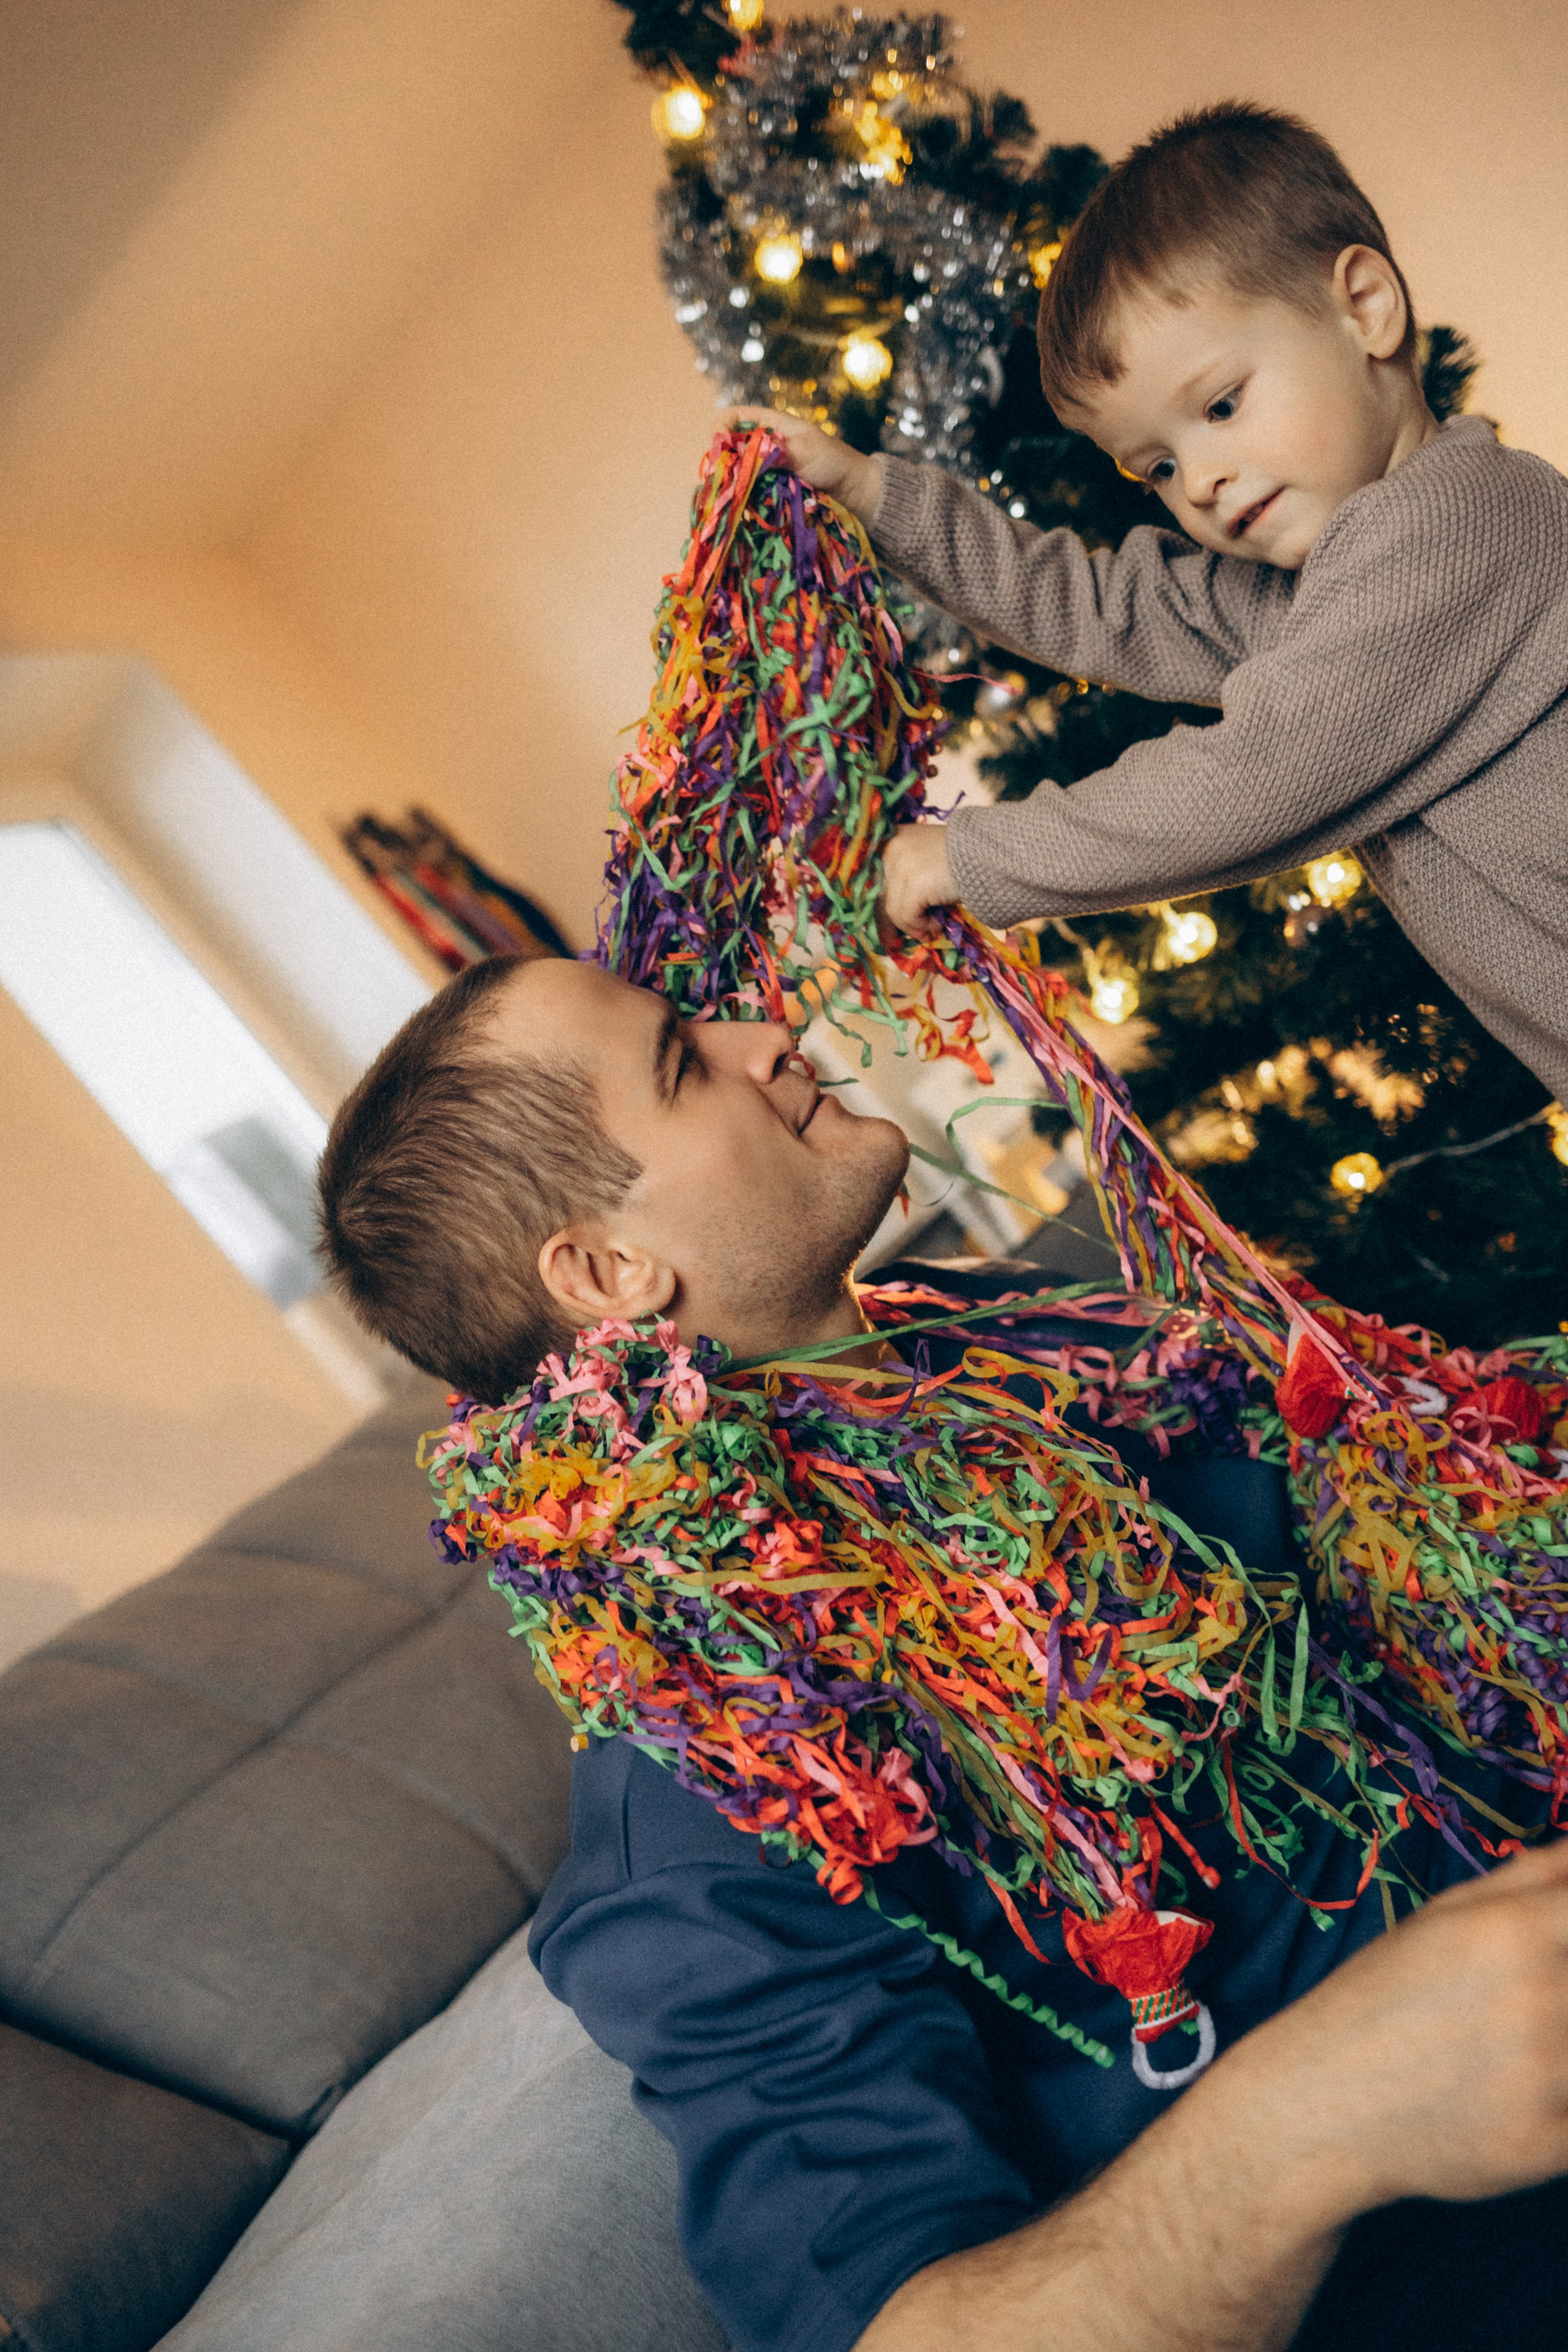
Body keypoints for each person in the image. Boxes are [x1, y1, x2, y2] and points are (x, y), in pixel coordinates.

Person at [306, 949, 1568, 2352]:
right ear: (609, 1272)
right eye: (681, 1060)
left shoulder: (1007, 1349)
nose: (765, 1034)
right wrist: (1320, 2112)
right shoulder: (710, 1799)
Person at [728, 102, 1568, 1104]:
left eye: (1220, 407)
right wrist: (874, 494)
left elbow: (1259, 773)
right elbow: (1096, 607)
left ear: (1365, 307)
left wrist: (974, 852)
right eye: (1158, 465)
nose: (1201, 480)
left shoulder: (1459, 526)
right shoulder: (1308, 590)